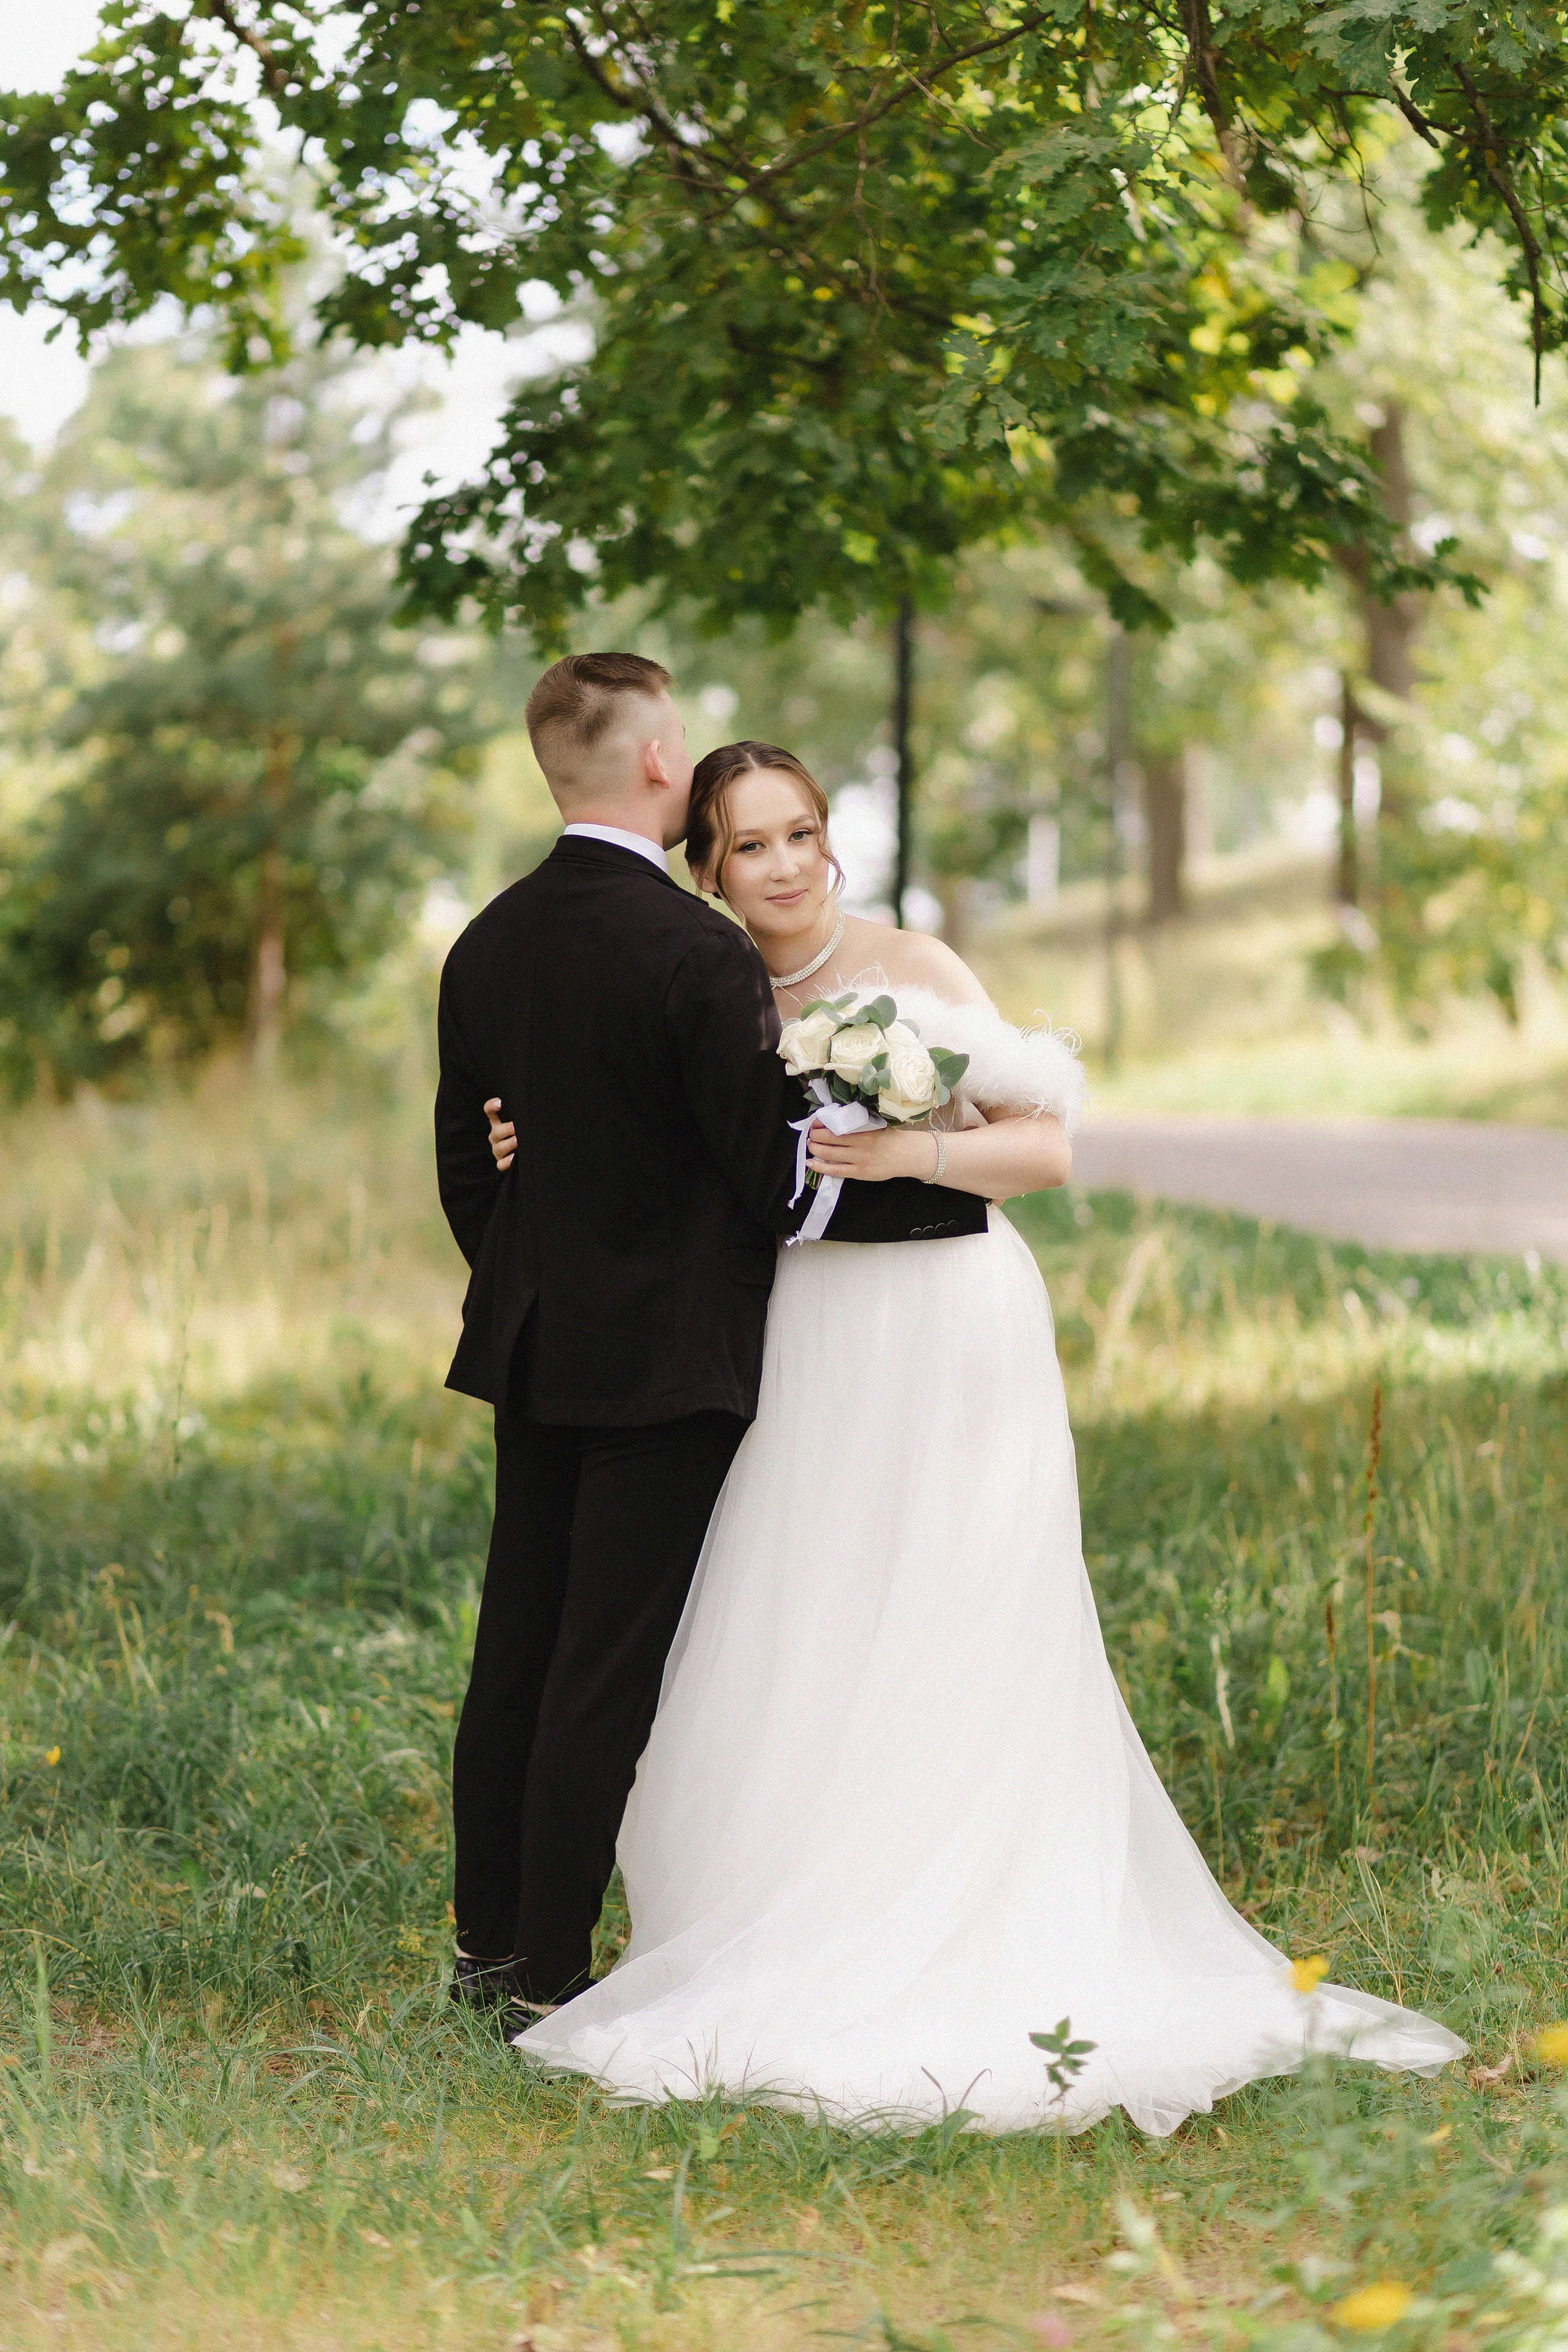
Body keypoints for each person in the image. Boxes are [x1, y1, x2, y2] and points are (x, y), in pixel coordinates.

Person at [487, 737, 1465, 2132]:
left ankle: (978, 1901)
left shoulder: (916, 967)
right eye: (746, 845)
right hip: (797, 1337)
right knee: (801, 1613)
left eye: (800, 834)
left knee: (957, 1604)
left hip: (947, 1326)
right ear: (704, 867)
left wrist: (914, 1152)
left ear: (830, 841)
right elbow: (642, 1152)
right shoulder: (698, 988)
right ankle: (789, 1905)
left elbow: (1045, 1150)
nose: (781, 866)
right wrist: (531, 1145)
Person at [433, 663, 986, 2023]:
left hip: (534, 1345)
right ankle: (547, 1978)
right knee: (602, 1667)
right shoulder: (697, 955)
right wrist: (924, 1202)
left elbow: (467, 1164)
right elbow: (770, 1183)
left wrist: (533, 1265)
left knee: (515, 1650)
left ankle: (484, 1946)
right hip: (669, 1365)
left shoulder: (486, 941)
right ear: (661, 761)